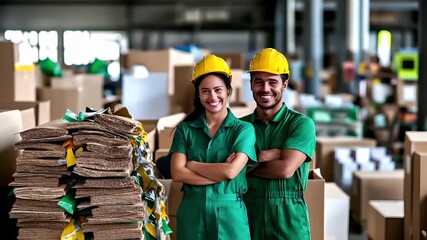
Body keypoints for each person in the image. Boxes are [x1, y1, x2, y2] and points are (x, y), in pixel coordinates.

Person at [169, 55, 257, 240]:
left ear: (228, 90)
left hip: (230, 214)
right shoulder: (185, 130)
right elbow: (177, 174)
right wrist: (218, 174)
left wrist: (192, 165)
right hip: (192, 213)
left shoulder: (244, 130)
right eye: (205, 91)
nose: (213, 97)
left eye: (218, 90)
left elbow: (231, 172)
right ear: (198, 94)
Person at [241, 48, 316, 240]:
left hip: (289, 222)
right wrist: (268, 155)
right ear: (251, 85)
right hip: (249, 219)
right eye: (259, 81)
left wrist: (245, 165)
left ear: (285, 85)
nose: (265, 89)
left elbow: (285, 170)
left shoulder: (300, 124)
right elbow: (227, 170)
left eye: (272, 82)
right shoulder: (239, 127)